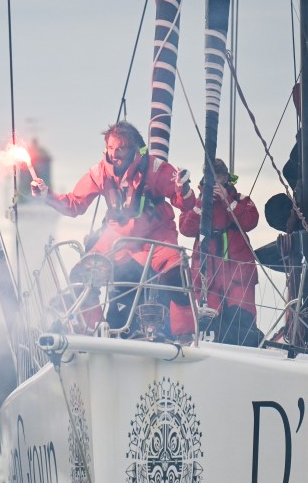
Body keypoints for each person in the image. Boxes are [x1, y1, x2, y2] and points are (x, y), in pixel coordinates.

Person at [32, 121, 196, 339]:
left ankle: (185, 336)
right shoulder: (99, 173)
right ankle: (97, 332)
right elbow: (74, 204)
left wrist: (182, 188)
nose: (114, 154)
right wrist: (47, 196)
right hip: (117, 238)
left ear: (134, 149)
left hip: (156, 237)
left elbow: (185, 204)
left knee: (176, 274)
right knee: (80, 275)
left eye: (120, 148)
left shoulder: (156, 169)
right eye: (110, 148)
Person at [179, 158, 263, 345]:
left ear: (226, 178)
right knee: (206, 321)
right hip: (207, 274)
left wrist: (227, 200)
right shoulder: (197, 202)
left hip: (237, 274)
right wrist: (202, 204)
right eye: (211, 178)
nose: (214, 183)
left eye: (218, 178)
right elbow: (185, 228)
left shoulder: (241, 200)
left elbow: (250, 222)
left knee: (242, 321)